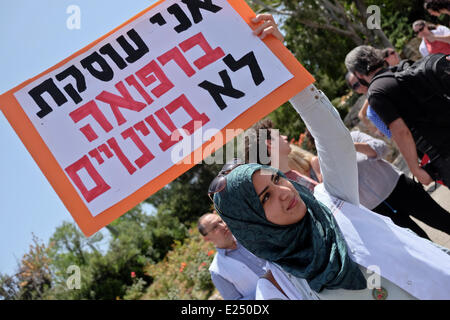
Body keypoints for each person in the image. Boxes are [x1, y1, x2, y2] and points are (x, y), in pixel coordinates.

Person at [209, 13, 450, 300]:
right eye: (264, 198)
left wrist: (280, 56)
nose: (283, 192)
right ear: (251, 223)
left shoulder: (331, 202)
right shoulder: (281, 289)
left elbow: (330, 134)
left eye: (276, 180)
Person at [345, 45, 450, 187]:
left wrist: (415, 169)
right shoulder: (402, 69)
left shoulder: (376, 93)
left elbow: (401, 132)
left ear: (358, 73)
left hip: (441, 151)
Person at [197, 212, 266, 300]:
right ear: (207, 239)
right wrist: (266, 289)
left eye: (221, 221)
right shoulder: (217, 271)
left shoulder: (250, 236)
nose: (223, 226)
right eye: (215, 227)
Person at [244, 119, 319, 193]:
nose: (285, 137)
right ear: (270, 144)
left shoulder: (289, 176)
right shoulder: (286, 188)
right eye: (279, 135)